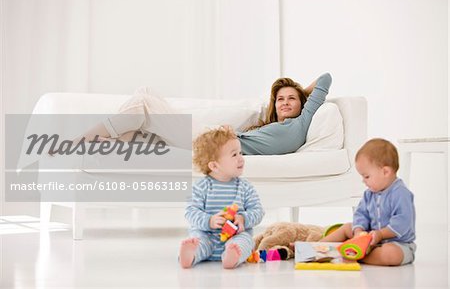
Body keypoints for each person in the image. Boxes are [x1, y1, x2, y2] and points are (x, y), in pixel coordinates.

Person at [77, 72, 332, 155]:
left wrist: (301, 90)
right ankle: (111, 141)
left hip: (210, 145)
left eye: (292, 99)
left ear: (303, 103)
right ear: (274, 105)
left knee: (143, 102)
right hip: (212, 138)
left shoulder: (300, 126)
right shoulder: (268, 126)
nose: (285, 103)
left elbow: (325, 78)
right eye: (280, 99)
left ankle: (84, 138)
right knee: (145, 94)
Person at [320, 138, 416, 266]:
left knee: (391, 255)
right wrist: (359, 230)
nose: (363, 181)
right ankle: (317, 246)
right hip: (369, 239)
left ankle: (351, 255)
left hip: (398, 244)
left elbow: (403, 222)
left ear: (385, 172)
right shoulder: (369, 193)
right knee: (347, 227)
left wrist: (381, 234)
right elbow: (361, 214)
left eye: (366, 176)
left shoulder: (401, 193)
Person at [179, 126, 264, 269]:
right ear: (214, 165)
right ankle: (191, 255)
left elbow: (258, 211)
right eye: (234, 155)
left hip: (236, 236)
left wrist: (243, 218)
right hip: (207, 235)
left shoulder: (245, 187)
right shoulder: (201, 187)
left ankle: (231, 256)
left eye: (240, 153)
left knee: (245, 242)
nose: (241, 158)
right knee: (199, 241)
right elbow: (190, 212)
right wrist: (209, 220)